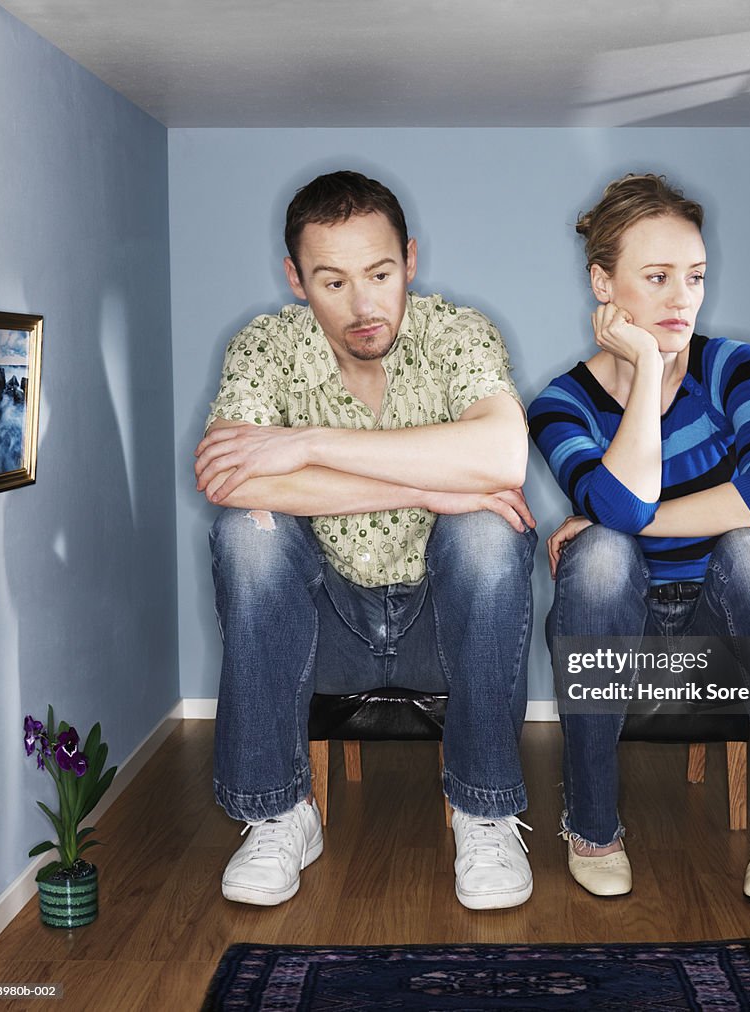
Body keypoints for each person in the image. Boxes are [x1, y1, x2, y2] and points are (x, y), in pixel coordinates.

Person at [195, 170, 537, 910]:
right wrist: (426, 482)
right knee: (247, 535)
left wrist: (308, 444)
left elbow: (502, 459)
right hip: (325, 628)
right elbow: (229, 479)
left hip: (439, 624)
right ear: (295, 279)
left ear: (409, 259)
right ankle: (278, 813)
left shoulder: (460, 334)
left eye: (380, 273)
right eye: (332, 280)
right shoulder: (265, 347)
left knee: (486, 532)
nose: (362, 304)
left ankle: (484, 811)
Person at [527, 173, 750, 902]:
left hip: (725, 624)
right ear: (603, 284)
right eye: (658, 277)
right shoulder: (560, 403)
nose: (682, 299)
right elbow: (616, 507)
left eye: (695, 277)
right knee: (601, 555)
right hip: (618, 634)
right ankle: (593, 825)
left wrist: (624, 515)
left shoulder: (734, 365)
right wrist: (644, 371)